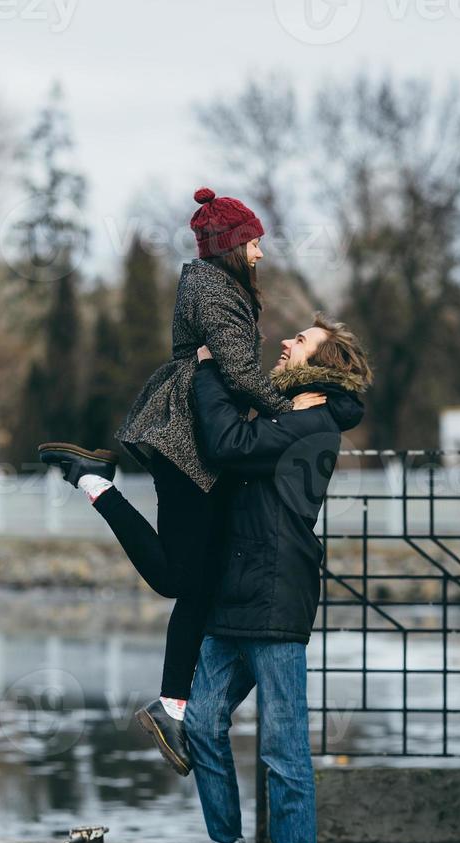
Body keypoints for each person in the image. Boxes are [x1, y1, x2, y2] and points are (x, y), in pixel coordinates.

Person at [38, 187, 322, 776]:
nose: (262, 253)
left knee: (199, 580)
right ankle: (96, 485)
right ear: (233, 245)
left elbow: (233, 369)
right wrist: (289, 415)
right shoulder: (217, 290)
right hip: (189, 442)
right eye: (254, 241)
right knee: (180, 580)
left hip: (192, 439)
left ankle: (173, 703)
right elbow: (241, 374)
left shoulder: (215, 285)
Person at [173, 314, 371, 843]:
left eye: (301, 341)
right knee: (201, 722)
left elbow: (228, 445)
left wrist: (209, 368)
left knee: (283, 746)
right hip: (233, 596)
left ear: (324, 363)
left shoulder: (311, 424)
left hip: (276, 597)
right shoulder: (288, 413)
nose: (285, 342)